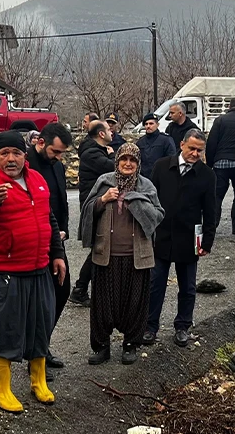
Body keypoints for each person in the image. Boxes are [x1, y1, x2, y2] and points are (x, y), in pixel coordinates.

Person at [0, 132, 67, 412]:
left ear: (25, 155)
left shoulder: (37, 179)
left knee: (40, 326)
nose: (11, 159)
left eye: (16, 153)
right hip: (7, 272)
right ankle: (0, 389)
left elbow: (49, 219)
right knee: (5, 329)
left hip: (38, 268)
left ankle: (39, 381)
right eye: (4, 153)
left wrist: (57, 254)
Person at [80, 143, 164, 366]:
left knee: (135, 303)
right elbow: (87, 210)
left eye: (132, 160)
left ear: (138, 163)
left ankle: (130, 344)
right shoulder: (104, 182)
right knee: (102, 305)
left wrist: (138, 203)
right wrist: (103, 200)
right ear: (116, 161)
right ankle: (101, 347)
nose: (128, 164)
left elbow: (158, 215)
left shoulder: (146, 186)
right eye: (123, 159)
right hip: (106, 254)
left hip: (136, 256)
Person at [146, 129, 218, 348]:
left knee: (187, 287)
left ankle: (183, 326)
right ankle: (149, 326)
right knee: (155, 284)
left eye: (200, 150)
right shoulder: (161, 166)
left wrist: (207, 241)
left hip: (189, 238)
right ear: (182, 145)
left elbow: (211, 211)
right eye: (192, 149)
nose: (195, 154)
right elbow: (149, 200)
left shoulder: (207, 174)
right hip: (162, 236)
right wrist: (146, 232)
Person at [27, 123, 73, 334]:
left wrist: (63, 229)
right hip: (33, 240)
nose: (59, 157)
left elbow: (61, 200)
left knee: (62, 290)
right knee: (34, 297)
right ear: (40, 142)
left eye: (62, 153)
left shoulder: (57, 165)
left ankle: (42, 340)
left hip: (56, 239)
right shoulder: (25, 165)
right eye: (55, 151)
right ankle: (33, 343)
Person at [70, 121, 115, 307]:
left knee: (102, 246)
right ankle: (80, 289)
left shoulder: (96, 151)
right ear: (101, 134)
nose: (112, 132)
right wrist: (112, 155)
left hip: (100, 202)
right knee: (99, 247)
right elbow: (113, 168)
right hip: (95, 205)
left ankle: (82, 288)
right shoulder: (92, 154)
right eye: (108, 129)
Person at [205, 97, 235, 235]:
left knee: (217, 196)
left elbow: (211, 143)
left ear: (229, 106)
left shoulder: (220, 120)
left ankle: (213, 225)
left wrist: (210, 164)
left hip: (221, 163)